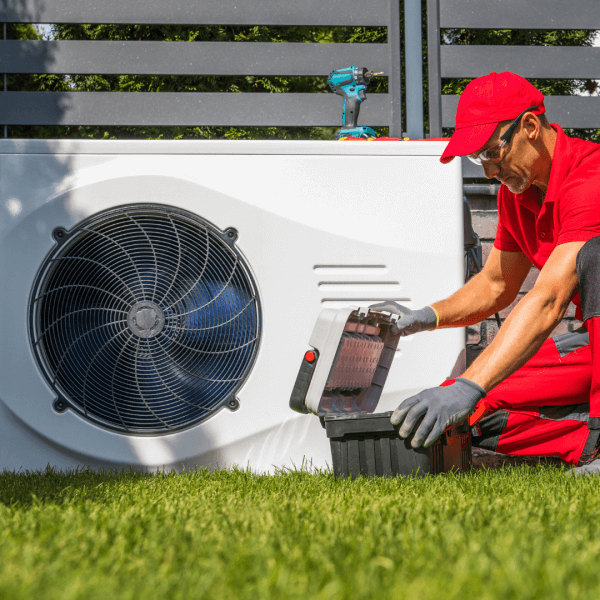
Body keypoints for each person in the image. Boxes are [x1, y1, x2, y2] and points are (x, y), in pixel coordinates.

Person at [378, 71, 600, 475]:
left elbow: (549, 299)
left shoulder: (591, 179)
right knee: (466, 415)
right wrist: (423, 318)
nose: (488, 171)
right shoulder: (517, 195)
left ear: (530, 126)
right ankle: (588, 440)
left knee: (596, 255)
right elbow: (496, 284)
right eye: (477, 158)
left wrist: (470, 383)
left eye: (491, 152)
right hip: (593, 348)